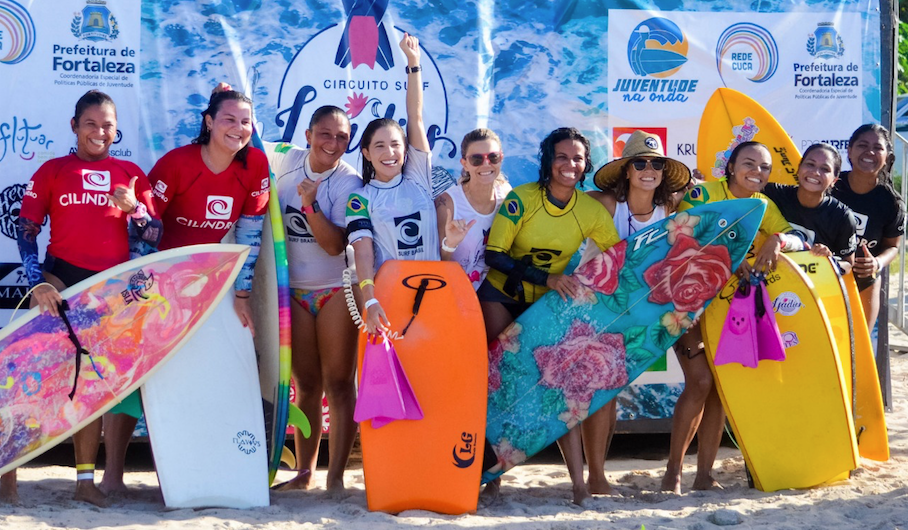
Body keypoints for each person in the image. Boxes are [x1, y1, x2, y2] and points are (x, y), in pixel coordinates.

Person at [101, 89, 270, 493]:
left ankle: (191, 469)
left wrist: (242, 296)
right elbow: (145, 233)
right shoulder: (176, 164)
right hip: (158, 279)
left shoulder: (255, 166)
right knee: (137, 374)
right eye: (229, 119)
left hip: (205, 284)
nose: (239, 128)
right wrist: (142, 291)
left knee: (197, 377)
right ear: (209, 122)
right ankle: (112, 475)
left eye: (245, 121)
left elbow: (251, 235)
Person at [5, 90, 160, 506]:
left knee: (88, 388)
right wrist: (38, 282)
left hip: (108, 291)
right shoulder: (53, 170)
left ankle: (85, 482)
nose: (99, 132)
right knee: (30, 380)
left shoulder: (130, 173)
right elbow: (26, 229)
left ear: (116, 130)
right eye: (90, 123)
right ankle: (7, 476)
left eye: (107, 124)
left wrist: (136, 210)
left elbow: (155, 235)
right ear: (74, 126)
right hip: (60, 279)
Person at [480, 126, 621, 505]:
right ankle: (493, 477)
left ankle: (578, 483)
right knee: (500, 382)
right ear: (548, 160)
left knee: (558, 388)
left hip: (548, 305)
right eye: (561, 157)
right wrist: (548, 277)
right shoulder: (521, 199)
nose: (569, 165)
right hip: (502, 296)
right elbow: (494, 254)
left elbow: (617, 260)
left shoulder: (590, 211)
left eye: (577, 158)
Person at [661, 141, 804, 495]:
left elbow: (798, 237)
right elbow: (678, 236)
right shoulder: (703, 193)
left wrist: (777, 241)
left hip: (732, 311)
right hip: (688, 304)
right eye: (749, 163)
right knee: (700, 383)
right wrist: (724, 255)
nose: (757, 171)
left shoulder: (763, 204)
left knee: (721, 391)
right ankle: (673, 473)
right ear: (731, 166)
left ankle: (704, 474)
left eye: (765, 167)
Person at [581, 130, 690, 495]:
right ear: (626, 170)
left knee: (617, 391)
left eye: (656, 163)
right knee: (604, 391)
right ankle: (596, 477)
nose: (648, 169)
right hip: (604, 308)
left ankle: (609, 476)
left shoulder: (671, 209)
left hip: (648, 312)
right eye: (639, 163)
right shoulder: (607, 204)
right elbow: (564, 203)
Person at [260, 105, 362, 493]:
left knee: (338, 383)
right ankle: (305, 474)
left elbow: (336, 245)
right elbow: (249, 141)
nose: (333, 143)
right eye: (325, 133)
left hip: (335, 288)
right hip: (294, 292)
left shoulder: (348, 181)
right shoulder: (287, 159)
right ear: (308, 134)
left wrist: (311, 205)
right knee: (306, 385)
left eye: (341, 137)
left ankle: (335, 477)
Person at [347, 33, 440, 336]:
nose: (390, 153)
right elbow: (363, 253)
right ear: (366, 153)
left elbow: (415, 117)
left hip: (436, 290)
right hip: (390, 297)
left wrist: (414, 64)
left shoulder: (418, 175)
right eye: (380, 147)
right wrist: (369, 298)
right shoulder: (359, 199)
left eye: (396, 145)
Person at [831, 124, 905, 329]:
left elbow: (893, 247)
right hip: (824, 277)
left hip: (865, 282)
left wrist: (877, 263)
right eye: (862, 145)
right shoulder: (830, 186)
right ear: (850, 151)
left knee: (859, 353)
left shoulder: (892, 203)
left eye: (877, 148)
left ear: (887, 156)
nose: (869, 152)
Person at [763, 143, 858, 274]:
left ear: (834, 180)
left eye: (825, 169)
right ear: (799, 168)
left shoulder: (842, 216)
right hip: (768, 281)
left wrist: (829, 261)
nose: (815, 172)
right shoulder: (772, 193)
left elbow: (848, 263)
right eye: (810, 164)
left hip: (812, 288)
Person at [435, 128, 511, 289]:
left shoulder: (505, 193)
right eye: (477, 159)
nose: (486, 164)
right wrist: (450, 244)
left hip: (493, 290)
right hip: (454, 291)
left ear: (501, 159)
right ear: (465, 164)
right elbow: (436, 263)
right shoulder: (447, 203)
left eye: (493, 157)